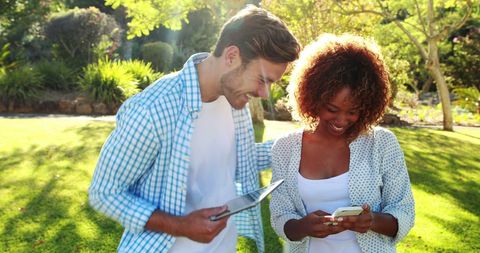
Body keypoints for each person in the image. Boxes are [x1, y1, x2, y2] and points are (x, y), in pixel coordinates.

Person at [88, 5, 300, 253]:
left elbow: (233, 159)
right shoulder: (153, 110)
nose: (264, 94)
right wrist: (180, 226)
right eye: (262, 80)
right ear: (231, 56)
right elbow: (104, 193)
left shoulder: (235, 101)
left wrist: (299, 143)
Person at [269, 34, 415, 253]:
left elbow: (404, 211)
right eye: (332, 109)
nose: (341, 120)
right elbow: (280, 215)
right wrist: (303, 226)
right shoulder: (285, 148)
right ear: (313, 98)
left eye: (352, 112)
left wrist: (372, 220)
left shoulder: (382, 144)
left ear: (366, 107)